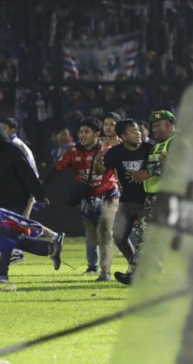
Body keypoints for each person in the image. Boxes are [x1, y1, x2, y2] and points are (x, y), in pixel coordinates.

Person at [0, 119, 63, 283]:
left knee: (3, 238)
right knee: (15, 238)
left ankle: (0, 276)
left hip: (18, 202)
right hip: (4, 204)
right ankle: (51, 248)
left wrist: (39, 193)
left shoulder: (12, 150)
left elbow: (27, 173)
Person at [116, 110, 183, 285]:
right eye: (152, 125)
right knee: (147, 236)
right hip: (153, 197)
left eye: (157, 125)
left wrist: (150, 171)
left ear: (168, 125)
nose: (153, 129)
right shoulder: (158, 145)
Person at [51, 117, 119, 281]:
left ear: (96, 134)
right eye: (80, 131)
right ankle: (118, 243)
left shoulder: (108, 150)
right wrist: (40, 186)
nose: (82, 135)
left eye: (86, 132)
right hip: (87, 201)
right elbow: (56, 169)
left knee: (104, 233)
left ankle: (105, 273)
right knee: (95, 239)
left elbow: (118, 170)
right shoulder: (73, 152)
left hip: (109, 196)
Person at [93, 119, 152, 278]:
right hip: (127, 201)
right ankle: (136, 267)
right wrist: (98, 159)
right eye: (133, 131)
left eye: (138, 130)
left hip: (149, 201)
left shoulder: (150, 149)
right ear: (124, 136)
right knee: (118, 236)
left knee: (146, 239)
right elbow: (100, 171)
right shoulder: (115, 152)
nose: (138, 133)